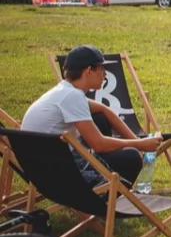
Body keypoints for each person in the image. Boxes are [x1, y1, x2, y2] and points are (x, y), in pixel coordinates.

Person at [22, 45, 162, 185]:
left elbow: (104, 110)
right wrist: (140, 144)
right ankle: (106, 198)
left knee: (100, 116)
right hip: (57, 173)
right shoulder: (73, 96)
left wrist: (138, 141)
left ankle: (107, 185)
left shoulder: (64, 91)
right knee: (132, 158)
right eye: (101, 70)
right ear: (88, 71)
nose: (105, 75)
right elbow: (99, 144)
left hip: (38, 167)